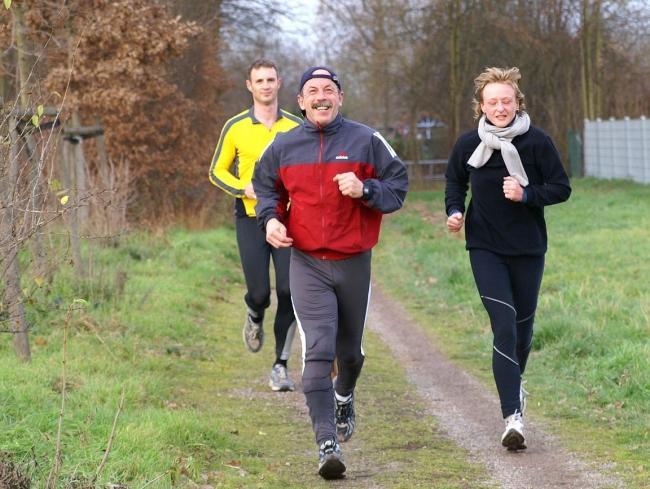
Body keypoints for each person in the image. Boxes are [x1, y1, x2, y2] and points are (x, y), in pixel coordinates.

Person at [253, 66, 408, 479]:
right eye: (312, 91)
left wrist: (366, 190)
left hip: (354, 261)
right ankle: (327, 444)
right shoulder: (284, 146)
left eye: (328, 90)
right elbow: (266, 187)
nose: (320, 96)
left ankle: (345, 394)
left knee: (350, 354)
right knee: (317, 351)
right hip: (306, 263)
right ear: (301, 102)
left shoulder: (366, 139)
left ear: (339, 98)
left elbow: (399, 185)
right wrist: (270, 220)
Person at [445, 67, 571, 450]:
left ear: (518, 102)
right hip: (485, 246)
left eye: (506, 100)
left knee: (523, 330)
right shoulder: (469, 144)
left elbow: (561, 188)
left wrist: (527, 194)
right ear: (480, 107)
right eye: (492, 102)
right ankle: (512, 417)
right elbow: (455, 181)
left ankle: (516, 386)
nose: (500, 107)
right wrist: (454, 211)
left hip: (529, 248)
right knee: (504, 325)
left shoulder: (537, 142)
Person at [208, 59, 302, 392]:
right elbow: (216, 170)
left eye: (270, 79)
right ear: (249, 86)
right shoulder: (235, 127)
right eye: (259, 80)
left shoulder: (295, 126)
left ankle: (280, 364)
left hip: (289, 219)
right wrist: (242, 187)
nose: (265, 85)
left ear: (279, 83)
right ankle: (254, 312)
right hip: (250, 219)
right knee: (261, 292)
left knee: (290, 292)